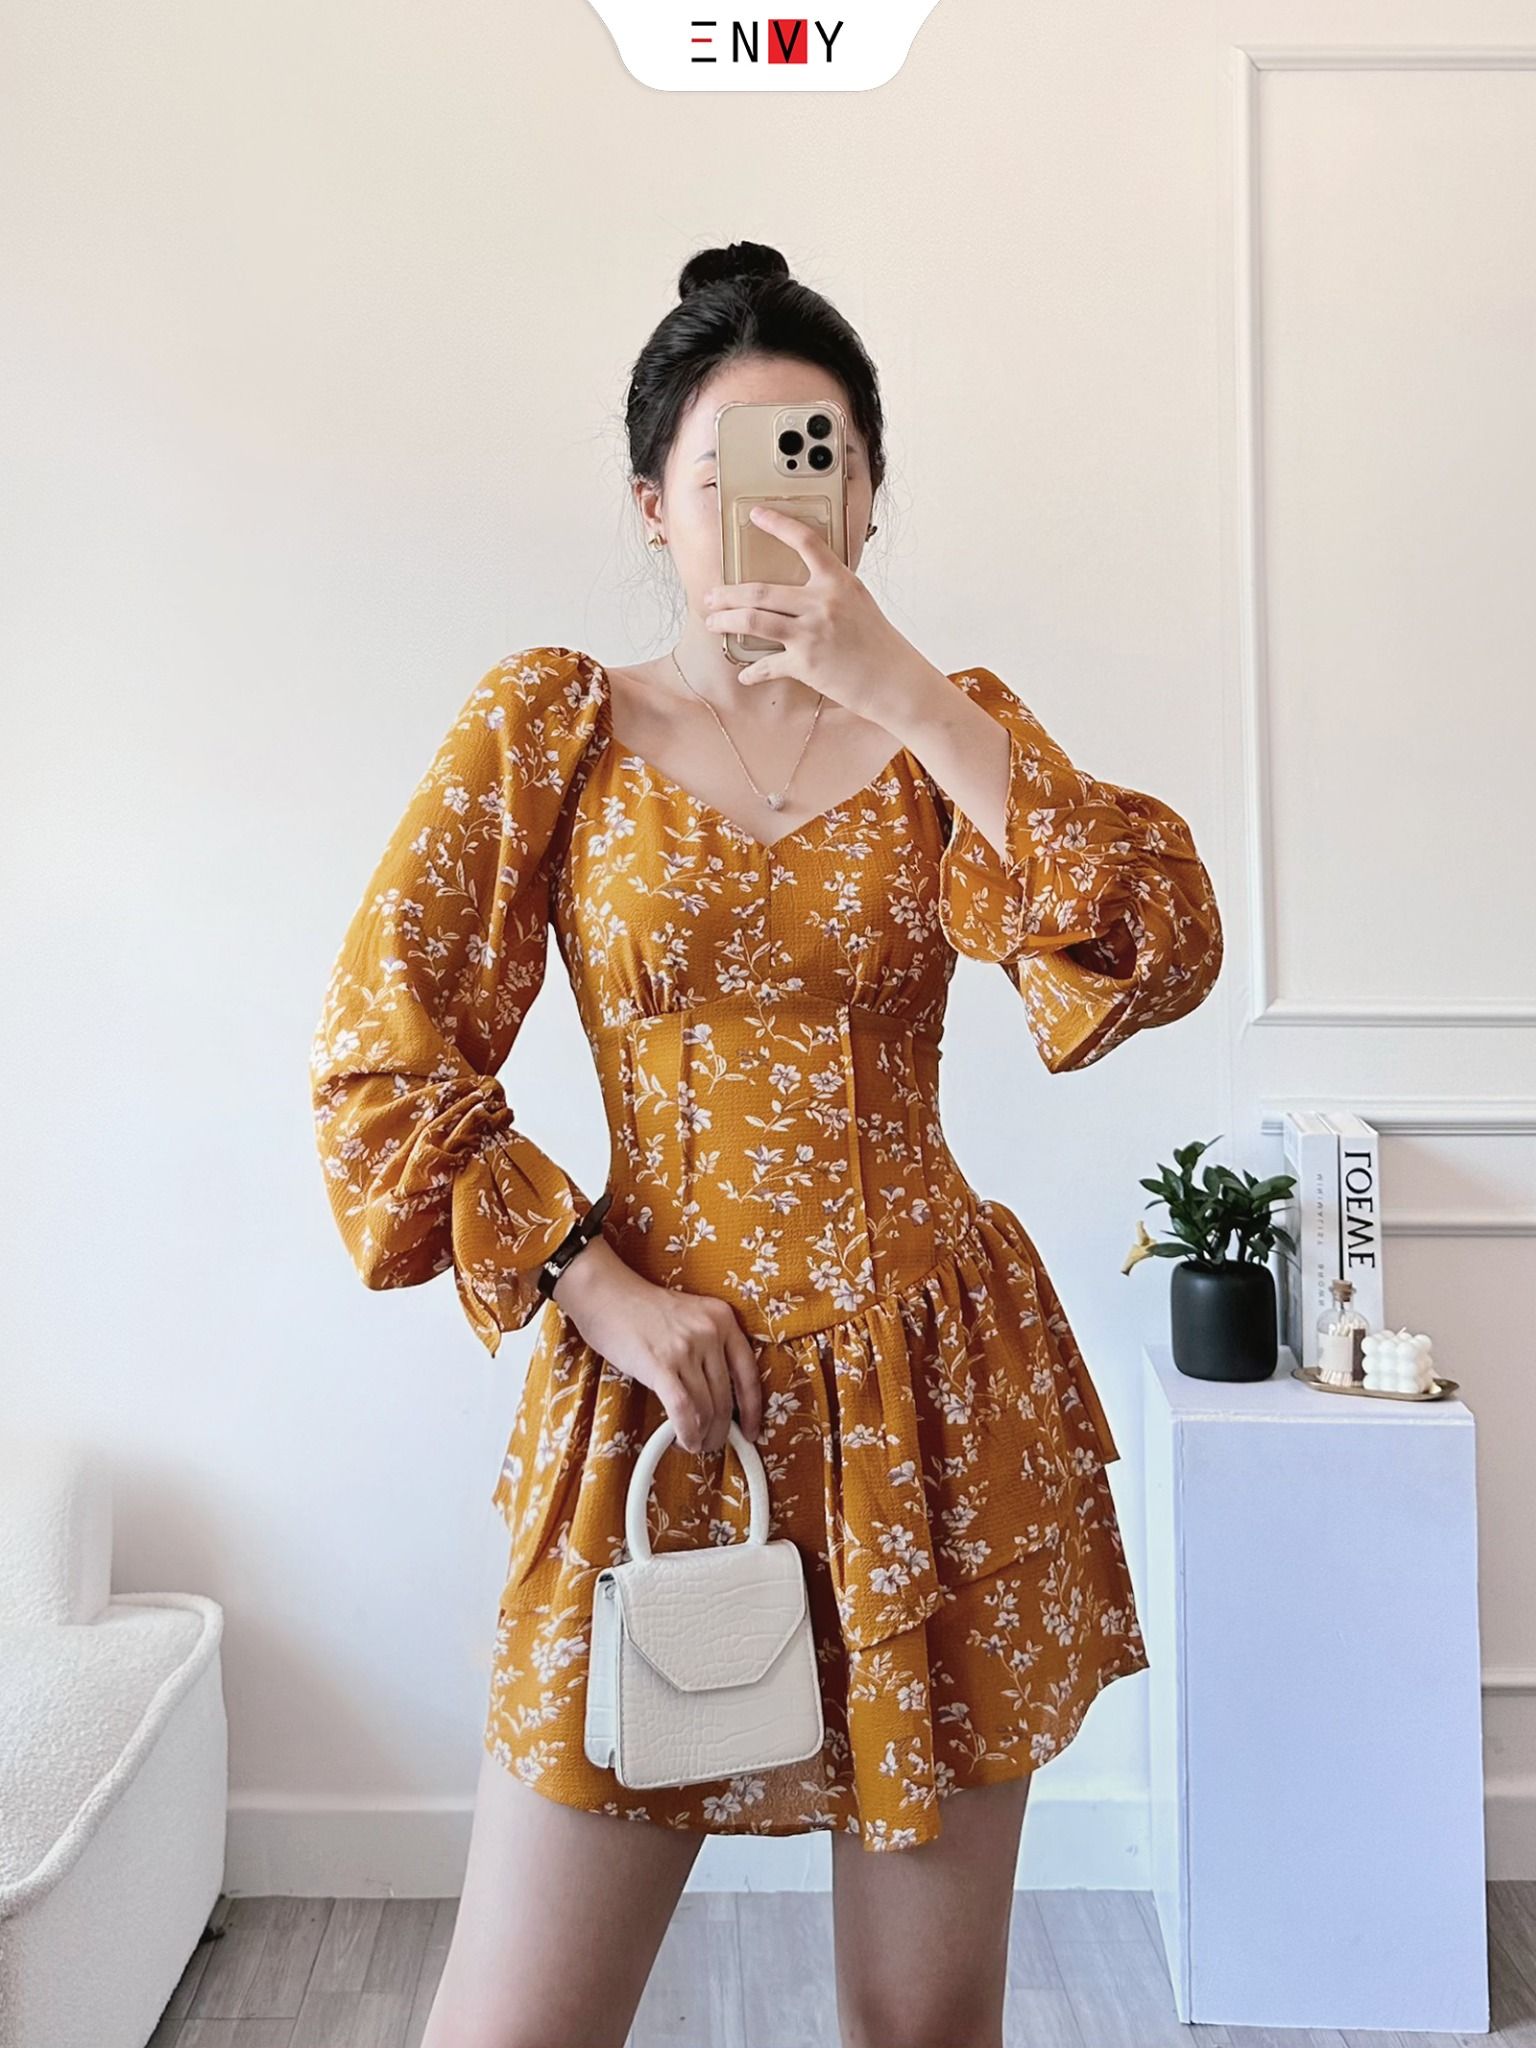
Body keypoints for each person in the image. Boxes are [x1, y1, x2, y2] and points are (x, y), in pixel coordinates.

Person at [309, 239, 1224, 2048]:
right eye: (723, 471)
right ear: (654, 503)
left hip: (932, 1403)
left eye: (822, 461)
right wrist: (597, 1288)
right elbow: (379, 1061)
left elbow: (1154, 944)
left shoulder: (953, 736)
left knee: (923, 2026)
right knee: (513, 2028)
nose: (777, 509)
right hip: (662, 1407)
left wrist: (914, 699)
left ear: (870, 495)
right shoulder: (554, 728)